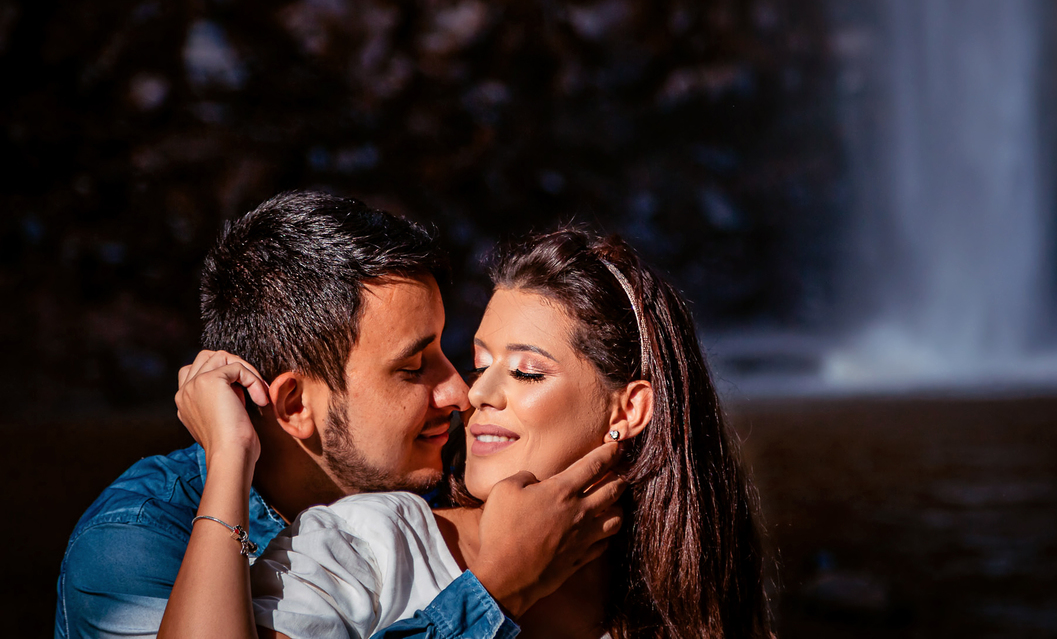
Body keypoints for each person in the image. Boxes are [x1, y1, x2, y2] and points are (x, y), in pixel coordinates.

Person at [55, 192, 623, 639]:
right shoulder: (135, 540)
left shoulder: (446, 482)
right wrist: (493, 593)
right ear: (295, 406)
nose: (459, 392)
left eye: (452, 355)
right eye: (412, 368)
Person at [165, 226, 771, 638]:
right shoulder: (366, 546)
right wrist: (491, 595)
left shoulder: (690, 597)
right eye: (482, 364)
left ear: (630, 410)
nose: (473, 393)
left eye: (527, 371)